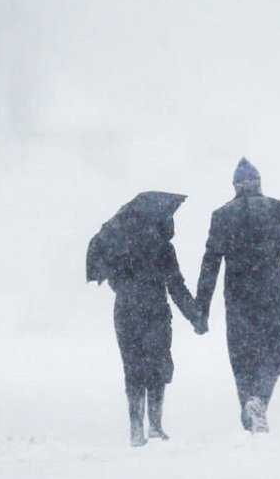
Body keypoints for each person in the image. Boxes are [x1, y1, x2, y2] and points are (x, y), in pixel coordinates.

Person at [193, 158, 280, 433]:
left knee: (242, 358)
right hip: (269, 296)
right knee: (274, 355)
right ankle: (259, 401)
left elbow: (210, 266)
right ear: (259, 184)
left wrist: (201, 309)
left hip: (238, 300)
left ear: (236, 187)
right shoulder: (275, 209)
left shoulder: (221, 216)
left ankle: (250, 408)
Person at [87, 191, 202, 447]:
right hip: (155, 313)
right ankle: (156, 425)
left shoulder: (118, 245)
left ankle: (136, 428)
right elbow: (177, 287)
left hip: (125, 314)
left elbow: (112, 280)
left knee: (133, 370)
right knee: (157, 368)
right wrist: (195, 316)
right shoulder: (162, 248)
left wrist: (128, 288)